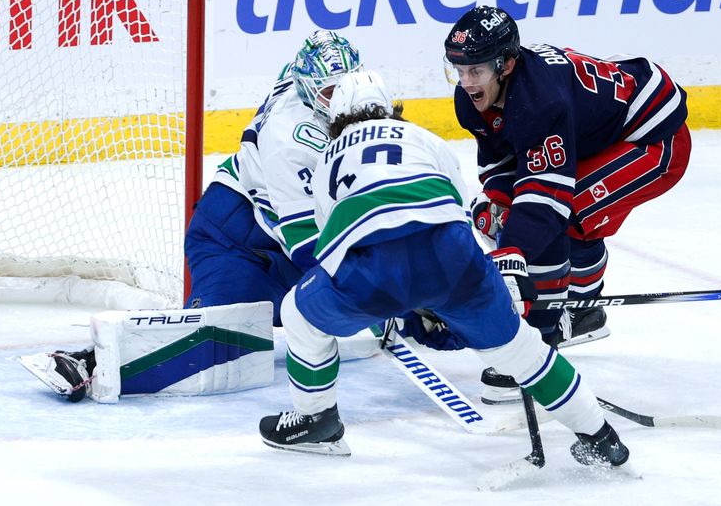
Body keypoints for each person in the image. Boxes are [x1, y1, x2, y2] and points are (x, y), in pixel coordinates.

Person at [258, 70, 630, 469]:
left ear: (337, 119)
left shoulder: (328, 157)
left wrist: (399, 303)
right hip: (452, 255)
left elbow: (331, 243)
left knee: (299, 314)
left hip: (372, 269)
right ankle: (602, 439)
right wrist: (462, 291)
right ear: (389, 107)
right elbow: (458, 210)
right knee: (524, 351)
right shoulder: (425, 138)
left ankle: (317, 421)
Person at [22, 31, 376, 402]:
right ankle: (89, 363)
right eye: (328, 92)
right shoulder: (291, 142)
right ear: (306, 88)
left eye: (342, 88)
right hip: (234, 235)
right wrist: (382, 289)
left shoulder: (303, 79)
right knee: (216, 340)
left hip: (274, 225)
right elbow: (310, 250)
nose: (338, 102)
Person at [443, 6, 691, 400]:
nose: (466, 82)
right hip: (603, 129)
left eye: (476, 71)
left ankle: (538, 348)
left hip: (655, 139)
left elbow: (546, 203)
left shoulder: (540, 102)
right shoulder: (476, 99)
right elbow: (506, 163)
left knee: (564, 216)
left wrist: (511, 253)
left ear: (505, 65)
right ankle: (584, 311)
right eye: (458, 69)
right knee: (537, 219)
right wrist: (497, 203)